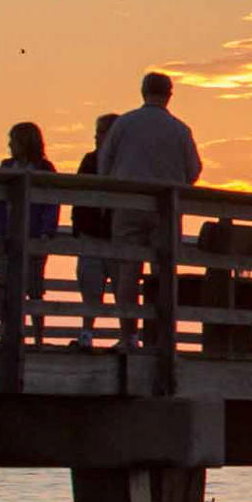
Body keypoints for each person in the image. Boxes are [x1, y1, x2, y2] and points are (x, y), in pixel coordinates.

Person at [99, 72, 202, 349]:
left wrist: (112, 194)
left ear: (142, 91)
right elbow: (193, 171)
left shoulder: (124, 124)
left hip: (129, 203)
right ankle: (162, 337)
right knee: (164, 271)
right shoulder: (180, 130)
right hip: (166, 209)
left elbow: (104, 164)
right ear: (169, 95)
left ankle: (128, 336)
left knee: (127, 271)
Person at [0, 122, 60, 345]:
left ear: (25, 142)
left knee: (33, 290)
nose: (10, 144)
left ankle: (39, 338)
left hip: (32, 239)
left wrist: (45, 233)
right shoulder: (6, 166)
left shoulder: (45, 169)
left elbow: (51, 205)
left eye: (14, 140)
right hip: (4, 237)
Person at [71, 112, 119, 348]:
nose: (97, 137)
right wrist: (78, 228)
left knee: (123, 288)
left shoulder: (122, 163)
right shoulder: (90, 160)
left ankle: (128, 336)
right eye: (97, 132)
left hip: (116, 236)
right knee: (90, 287)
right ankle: (87, 334)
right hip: (91, 234)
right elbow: (78, 196)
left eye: (101, 132)